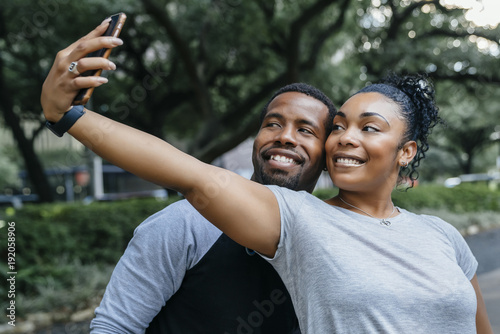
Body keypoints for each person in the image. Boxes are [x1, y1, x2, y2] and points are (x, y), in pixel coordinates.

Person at [41, 21, 493, 334]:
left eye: (368, 128)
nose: (344, 139)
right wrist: (67, 117)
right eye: (338, 127)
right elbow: (191, 174)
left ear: (406, 151)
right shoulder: (299, 219)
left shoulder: (443, 235)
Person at [89, 80, 336, 333]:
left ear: (328, 156)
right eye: (273, 124)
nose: (284, 136)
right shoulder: (184, 224)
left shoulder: (331, 244)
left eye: (306, 130)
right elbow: (113, 327)